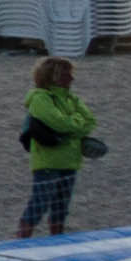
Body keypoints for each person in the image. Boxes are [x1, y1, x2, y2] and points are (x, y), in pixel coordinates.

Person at [29, 56, 101, 237]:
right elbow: (60, 123)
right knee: (38, 206)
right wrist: (76, 123)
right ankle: (18, 244)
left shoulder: (71, 98)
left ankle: (57, 242)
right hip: (48, 162)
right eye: (67, 74)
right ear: (54, 77)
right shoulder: (41, 99)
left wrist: (70, 126)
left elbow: (91, 122)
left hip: (70, 161)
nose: (72, 78)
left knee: (61, 208)